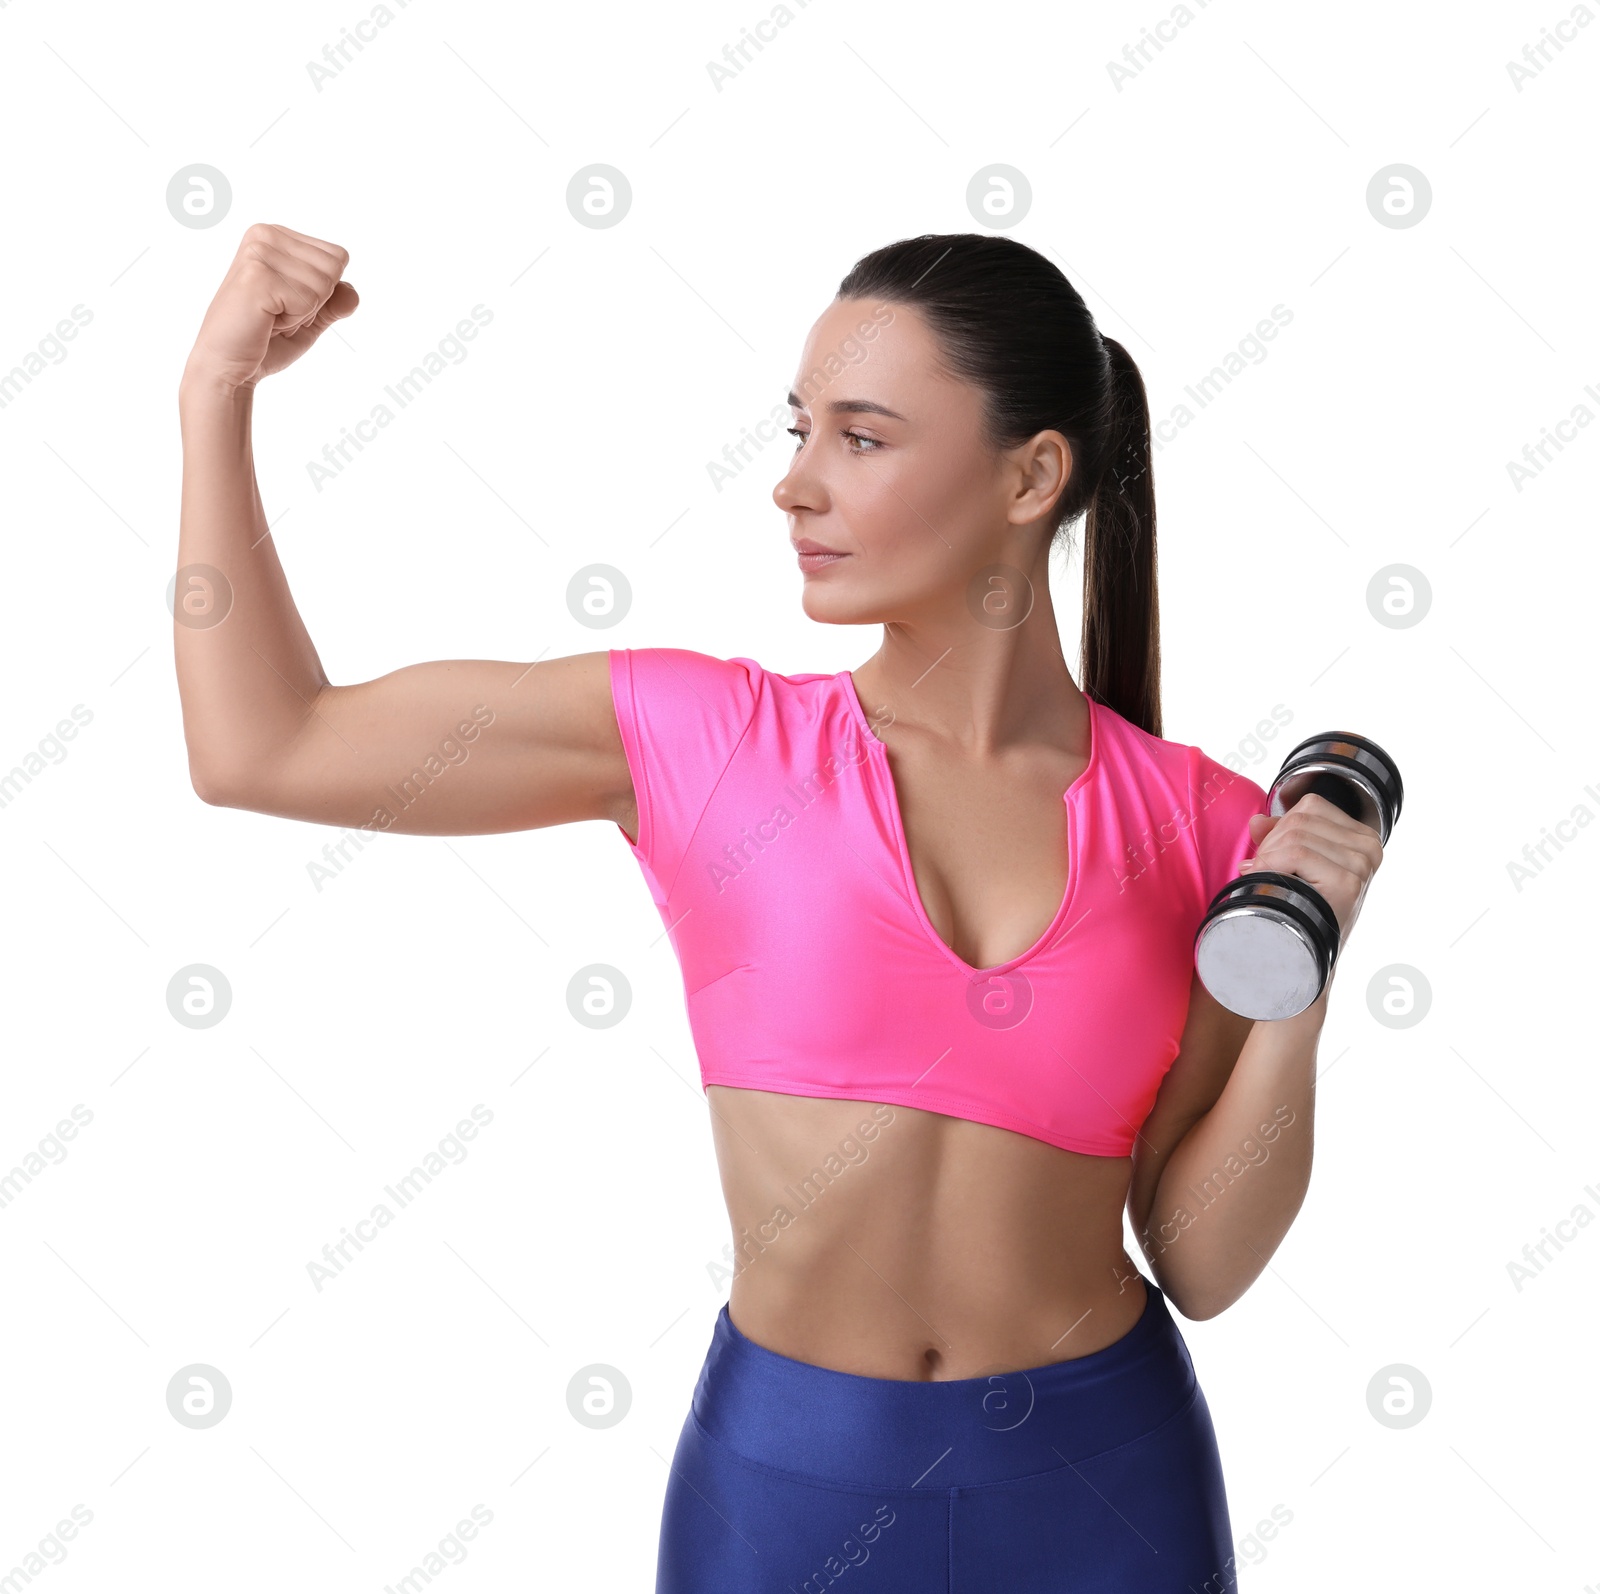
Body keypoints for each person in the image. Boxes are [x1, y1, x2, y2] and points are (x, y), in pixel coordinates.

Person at [174, 225, 1383, 1592]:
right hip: (792, 1482)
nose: (793, 486)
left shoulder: (1207, 826)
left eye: (860, 439)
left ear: (1032, 474)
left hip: (1100, 1479)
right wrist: (217, 391)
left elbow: (1200, 1258)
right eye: (801, 429)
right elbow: (264, 745)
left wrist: (1300, 977)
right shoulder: (705, 741)